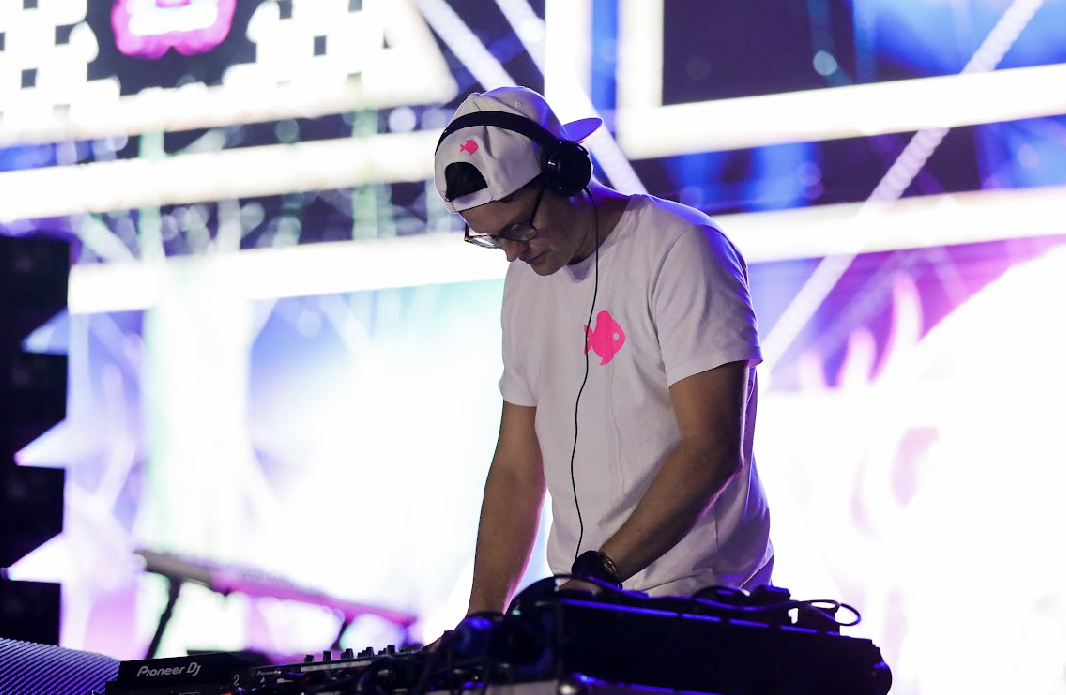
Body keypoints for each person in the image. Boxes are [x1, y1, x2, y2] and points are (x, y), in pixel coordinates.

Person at [433, 86, 772, 614]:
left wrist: (598, 576)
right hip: (593, 605)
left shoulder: (681, 248)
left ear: (566, 174)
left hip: (698, 606)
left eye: (519, 228)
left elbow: (712, 448)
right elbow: (518, 468)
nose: (513, 254)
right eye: (493, 239)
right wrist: (480, 622)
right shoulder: (524, 282)